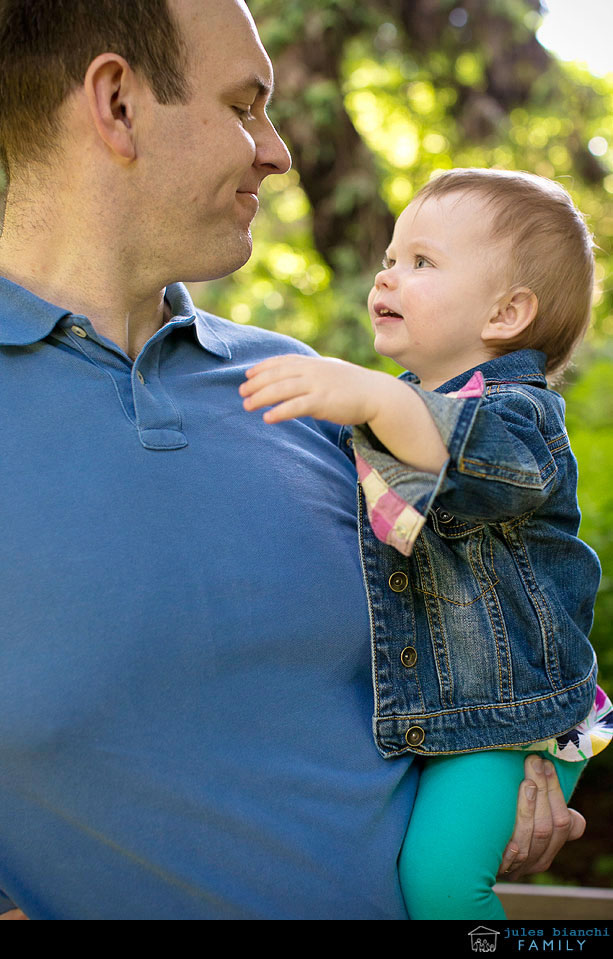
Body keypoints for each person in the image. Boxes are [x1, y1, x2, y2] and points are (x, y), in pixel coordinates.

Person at [0, 0, 587, 920]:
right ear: (116, 104)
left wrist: (507, 760)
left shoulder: (318, 392)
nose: (278, 151)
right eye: (245, 106)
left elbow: (485, 594)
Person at [240, 168, 613, 919]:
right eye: (388, 257)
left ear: (507, 313)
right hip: (441, 716)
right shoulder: (404, 417)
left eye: (421, 261)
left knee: (441, 886)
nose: (387, 274)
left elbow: (472, 456)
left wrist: (376, 394)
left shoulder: (519, 414)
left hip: (511, 716)